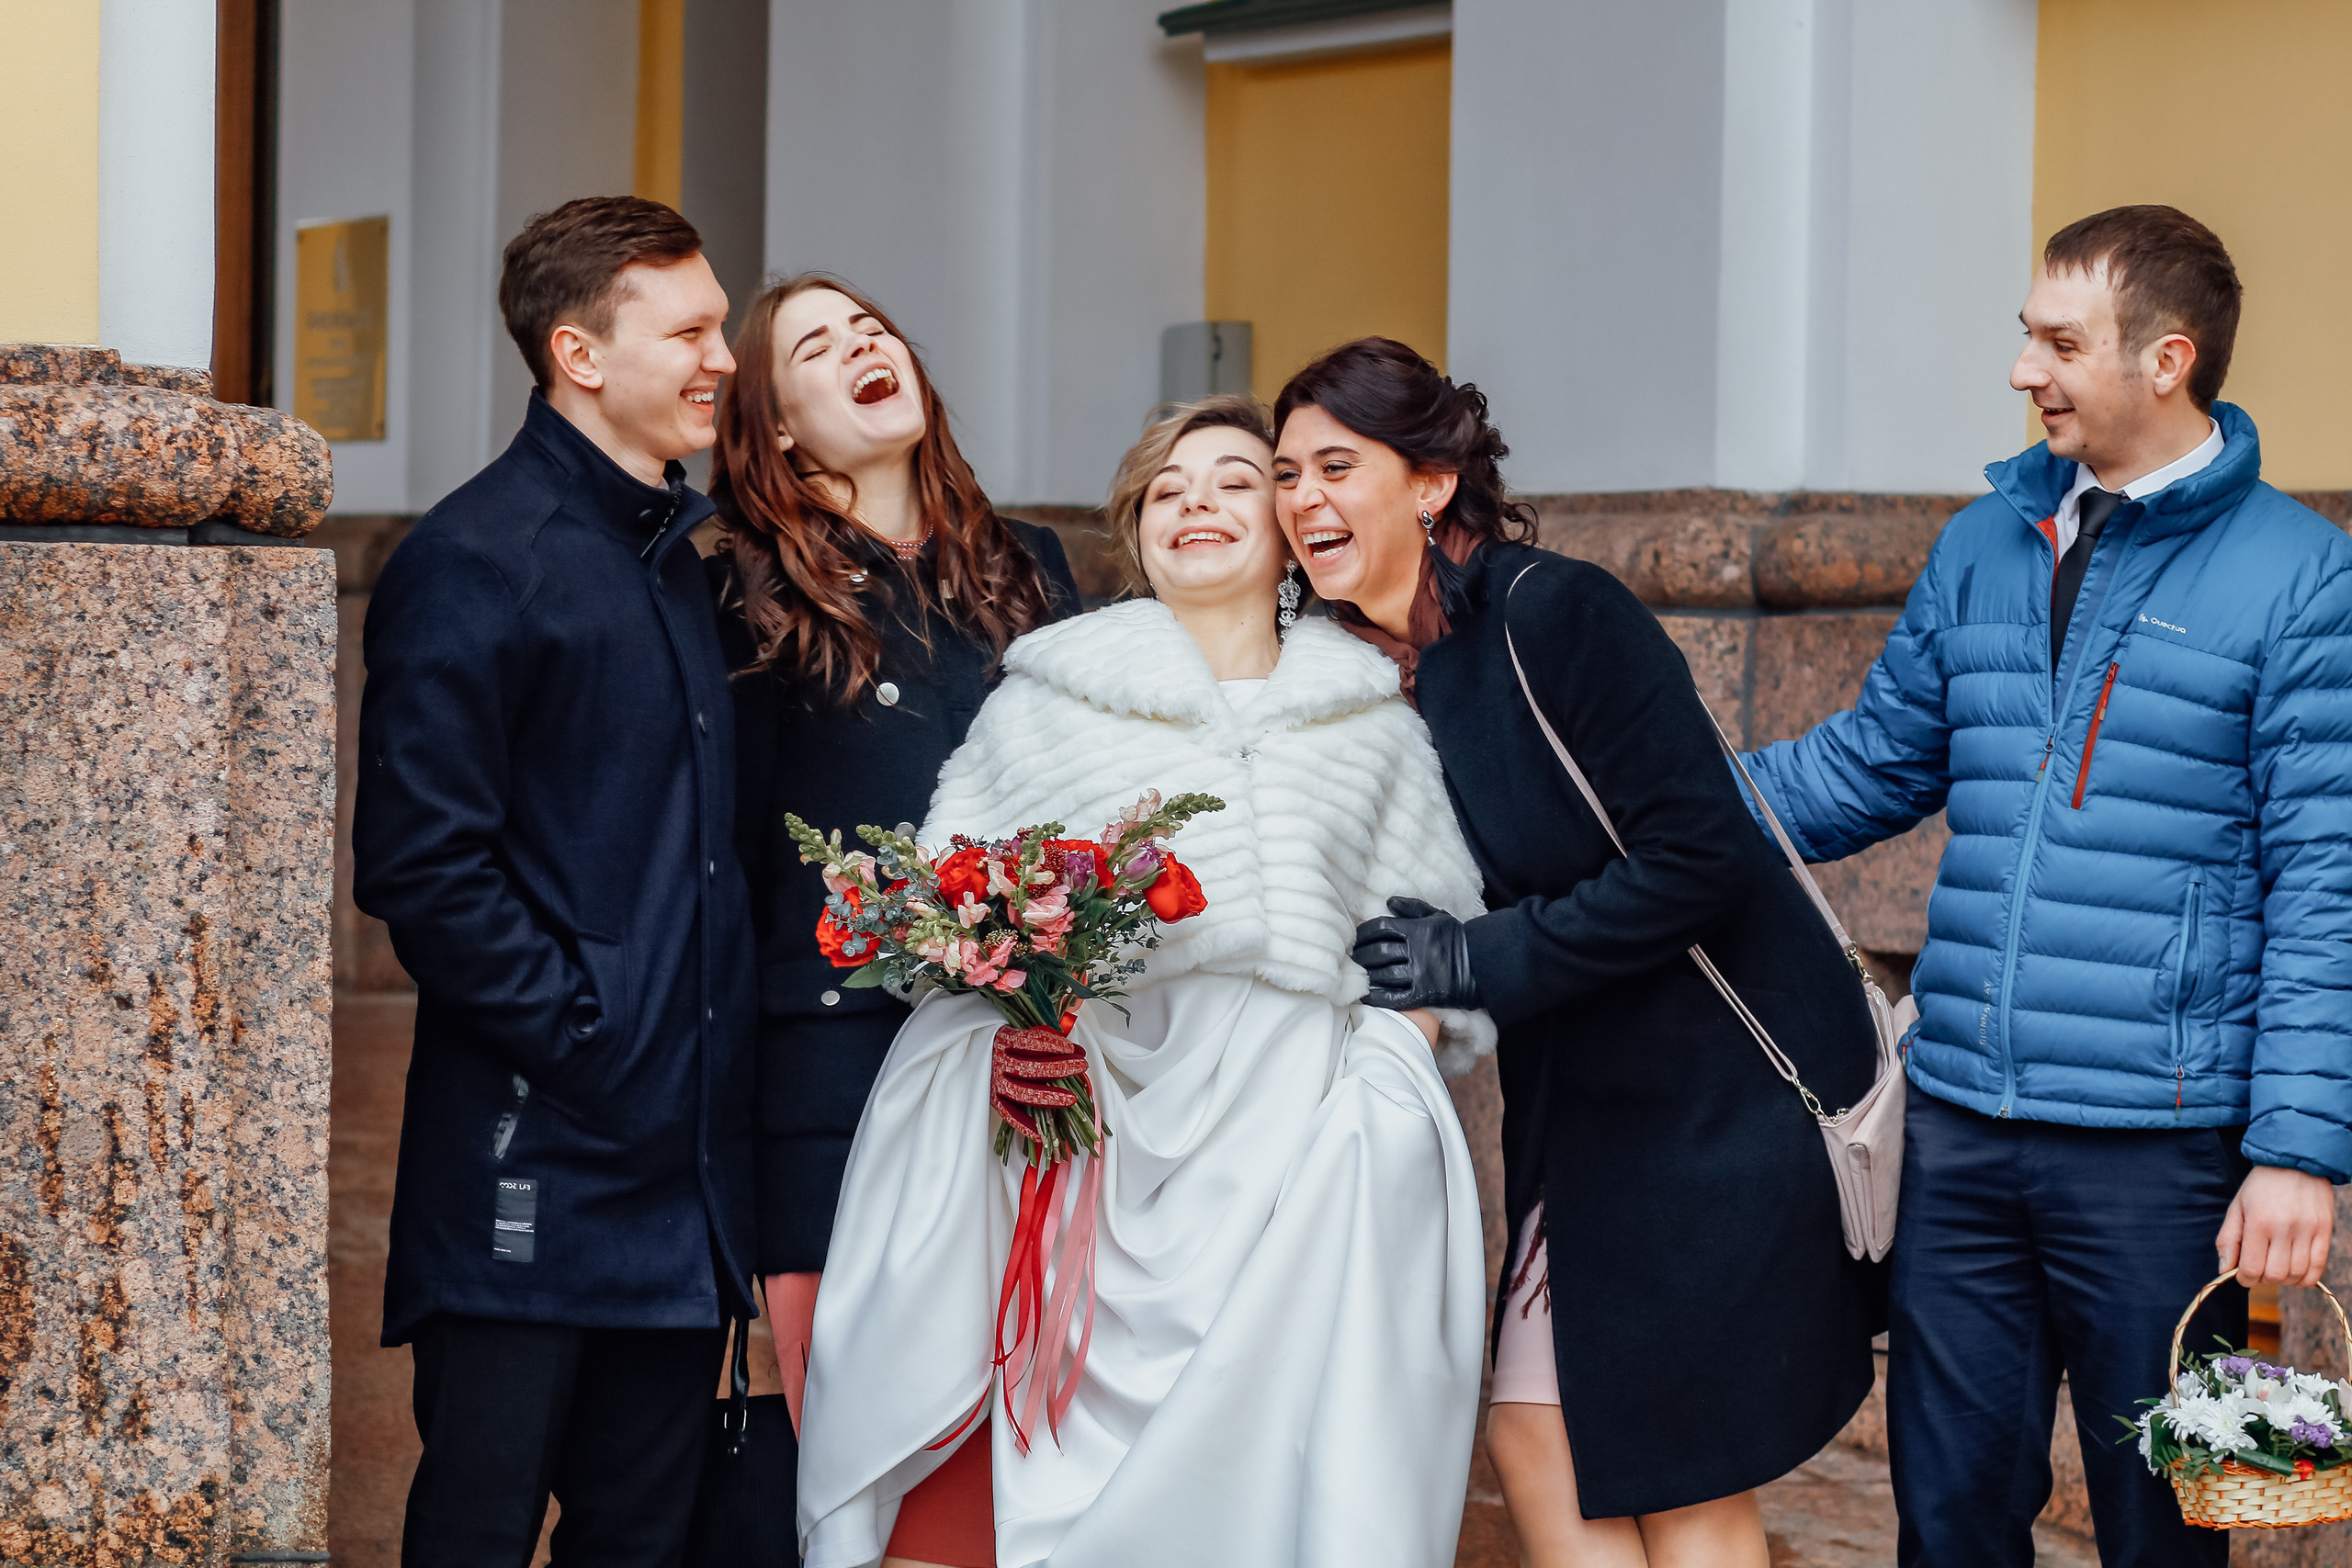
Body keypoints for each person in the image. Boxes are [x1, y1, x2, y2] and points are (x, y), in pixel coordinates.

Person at [1727, 205, 2352, 1567]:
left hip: (2177, 1149)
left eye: (2060, 342)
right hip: (1960, 1131)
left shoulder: (2308, 576)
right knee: (1945, 1515)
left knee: (2188, 1516)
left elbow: (2331, 879)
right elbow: (1861, 767)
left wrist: (2298, 1148)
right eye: (2029, 335)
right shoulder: (1980, 543)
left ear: (2168, 358)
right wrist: (1645, 801)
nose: (2026, 369)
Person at [795, 395, 1493, 1568]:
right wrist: (1010, 1038)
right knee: (1072, 1487)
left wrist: (1391, 1069)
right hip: (1097, 1144)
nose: (1196, 504)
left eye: (1230, 481)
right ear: (1136, 532)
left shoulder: (1374, 719)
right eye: (1167, 490)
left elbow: (1443, 947)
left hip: (1298, 1155)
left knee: (1267, 1472)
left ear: (1283, 530)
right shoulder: (1042, 706)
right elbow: (955, 924)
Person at [1280, 338, 1883, 1568]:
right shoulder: (1376, 669)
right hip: (1594, 1115)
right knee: (1544, 1434)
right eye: (1285, 473)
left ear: (1432, 481)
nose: (1302, 500)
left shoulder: (1555, 613)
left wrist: (1472, 958)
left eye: (1336, 465)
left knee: (1673, 1472)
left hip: (1719, 1103)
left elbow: (1702, 855)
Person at [353, 195, 759, 1567]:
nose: (725, 356)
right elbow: (421, 863)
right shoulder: (476, 560)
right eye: (692, 328)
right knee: (475, 1530)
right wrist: (591, 1036)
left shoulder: (675, 557)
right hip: (532, 1160)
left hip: (681, 1178)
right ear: (581, 354)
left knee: (640, 1539)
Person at [707, 275, 1080, 1483]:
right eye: (819, 345)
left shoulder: (1032, 569)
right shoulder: (746, 592)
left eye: (871, 325)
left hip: (1021, 1059)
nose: (865, 342)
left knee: (1026, 1434)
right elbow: (733, 854)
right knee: (870, 1450)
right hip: (833, 1070)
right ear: (774, 426)